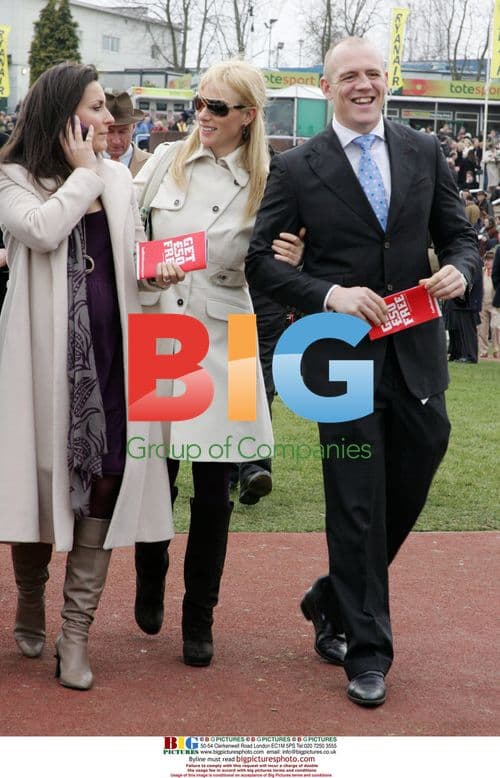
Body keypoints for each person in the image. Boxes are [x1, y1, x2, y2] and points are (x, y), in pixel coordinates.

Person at [245, 37, 480, 707]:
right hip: (336, 354)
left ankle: (330, 595)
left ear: (387, 81)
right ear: (326, 87)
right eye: (349, 75)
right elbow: (263, 261)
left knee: (422, 457)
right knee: (354, 497)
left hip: (415, 349)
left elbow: (458, 234)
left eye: (374, 73)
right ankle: (367, 652)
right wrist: (328, 294)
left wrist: (462, 270)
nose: (364, 83)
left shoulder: (422, 150)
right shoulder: (297, 168)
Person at [0, 62, 174, 691]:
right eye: (97, 108)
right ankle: (29, 595)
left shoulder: (122, 180)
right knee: (42, 481)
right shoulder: (15, 176)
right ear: (64, 115)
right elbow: (43, 231)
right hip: (45, 364)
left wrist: (154, 279)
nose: (109, 120)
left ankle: (75, 634)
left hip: (113, 359)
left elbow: (131, 269)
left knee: (107, 480)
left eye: (106, 109)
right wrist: (81, 177)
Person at [133, 59, 303, 668]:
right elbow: (126, 234)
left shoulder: (271, 180)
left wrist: (294, 252)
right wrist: (147, 262)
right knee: (156, 474)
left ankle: (198, 616)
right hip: (162, 333)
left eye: (217, 108)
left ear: (248, 117)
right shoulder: (161, 161)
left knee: (215, 491)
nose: (202, 116)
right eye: (198, 104)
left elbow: (279, 263)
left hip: (229, 337)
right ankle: (150, 575)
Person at [104, 91, 151, 176]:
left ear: (133, 128)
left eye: (122, 132)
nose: (116, 141)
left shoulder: (151, 163)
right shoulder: (84, 162)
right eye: (110, 131)